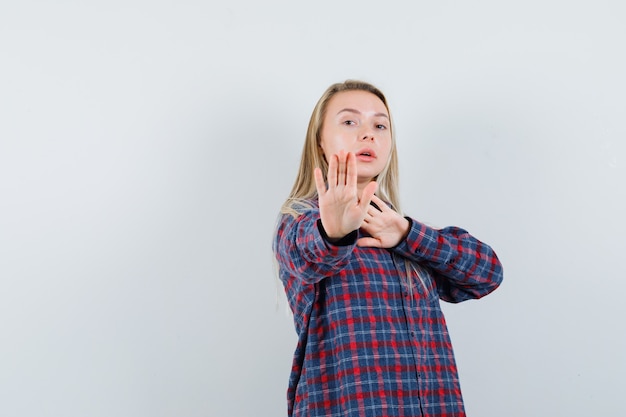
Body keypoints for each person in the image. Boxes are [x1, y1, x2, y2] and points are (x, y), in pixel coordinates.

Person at [272, 80, 503, 417]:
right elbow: (308, 254)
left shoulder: (401, 232)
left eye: (380, 125)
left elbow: (487, 274)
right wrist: (334, 231)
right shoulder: (299, 220)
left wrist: (407, 234)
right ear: (320, 141)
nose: (369, 134)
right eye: (350, 122)